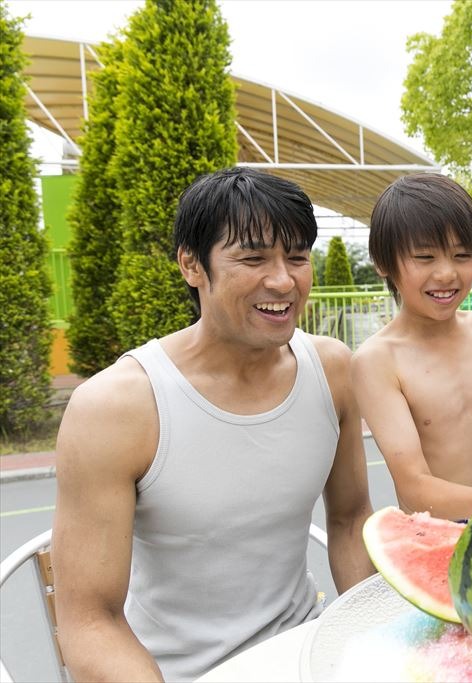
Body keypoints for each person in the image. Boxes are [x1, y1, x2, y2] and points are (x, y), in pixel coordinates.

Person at [53, 168, 375, 682]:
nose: (283, 280)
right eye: (252, 258)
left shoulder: (332, 370)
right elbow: (89, 621)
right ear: (191, 265)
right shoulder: (116, 407)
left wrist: (370, 647)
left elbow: (351, 519)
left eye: (296, 256)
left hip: (305, 655)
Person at [351, 173, 472, 521]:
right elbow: (414, 486)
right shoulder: (376, 360)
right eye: (424, 257)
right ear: (383, 263)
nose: (446, 274)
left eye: (461, 255)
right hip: (434, 532)